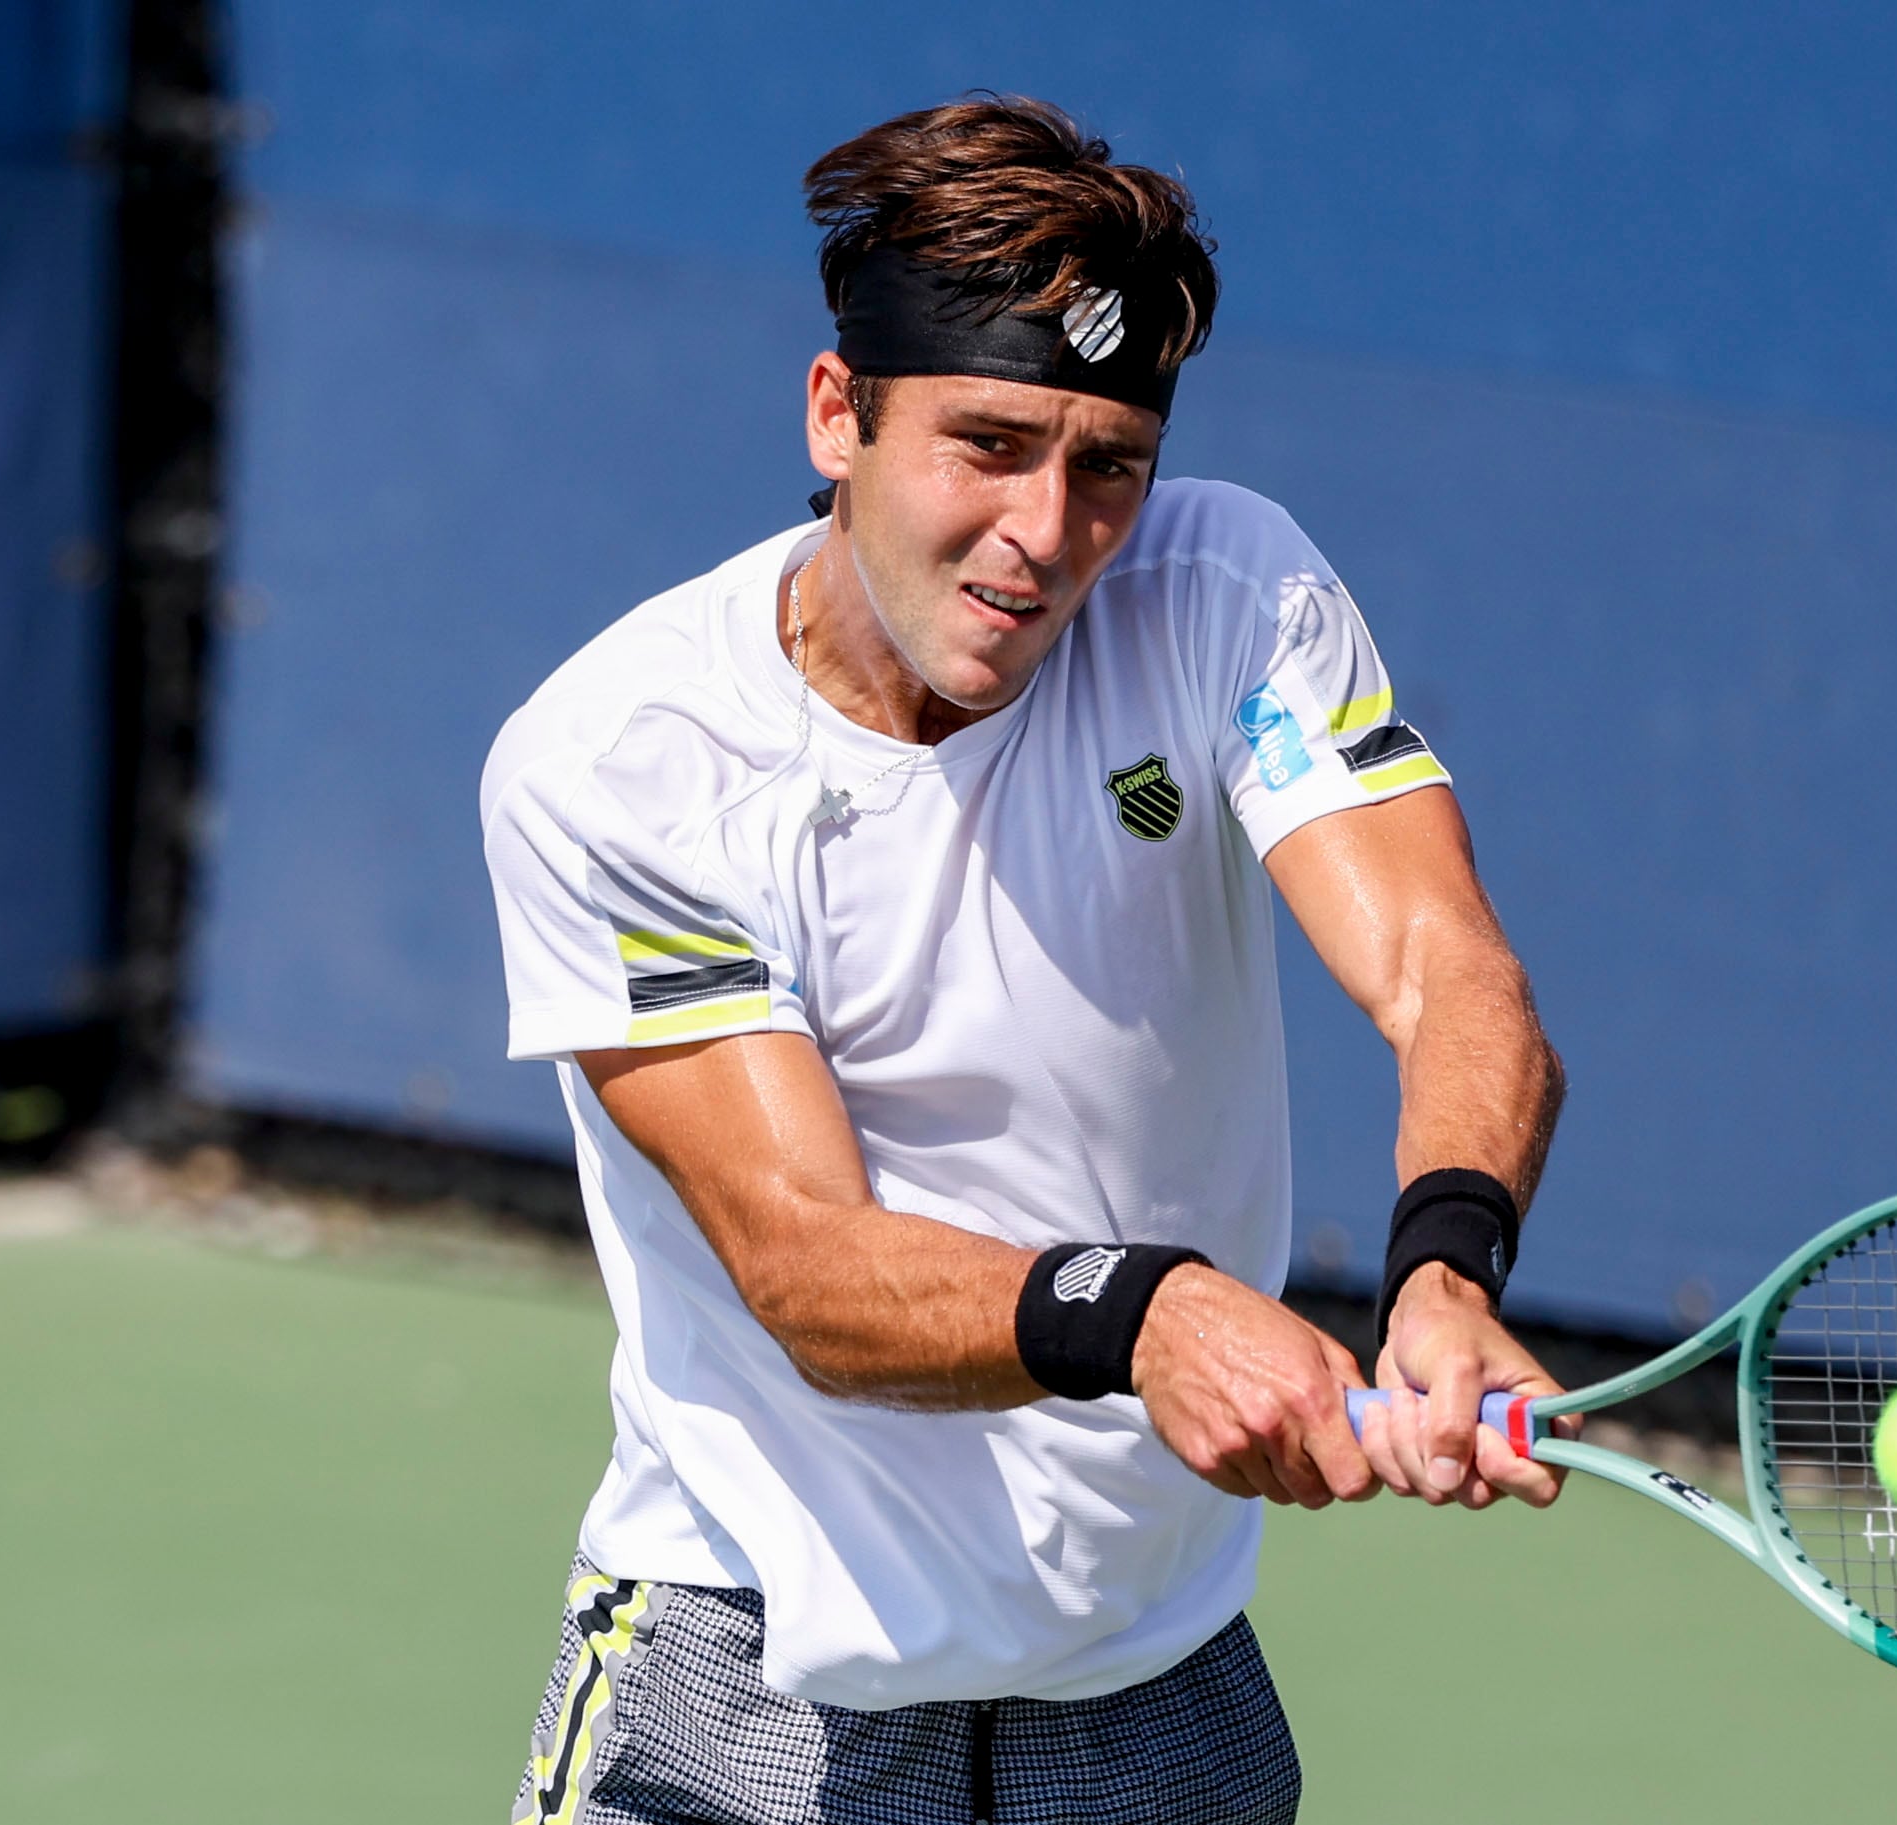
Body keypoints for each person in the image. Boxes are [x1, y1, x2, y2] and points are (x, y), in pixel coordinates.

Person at [481, 97, 1566, 1824]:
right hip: (753, 1684)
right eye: (985, 444)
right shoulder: (625, 760)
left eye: (1107, 465)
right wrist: (1148, 1312)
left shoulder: (1227, 594)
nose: (1047, 535)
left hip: (1150, 1681)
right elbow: (807, 1266)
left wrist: (1447, 1266)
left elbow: (1445, 969)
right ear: (838, 415)